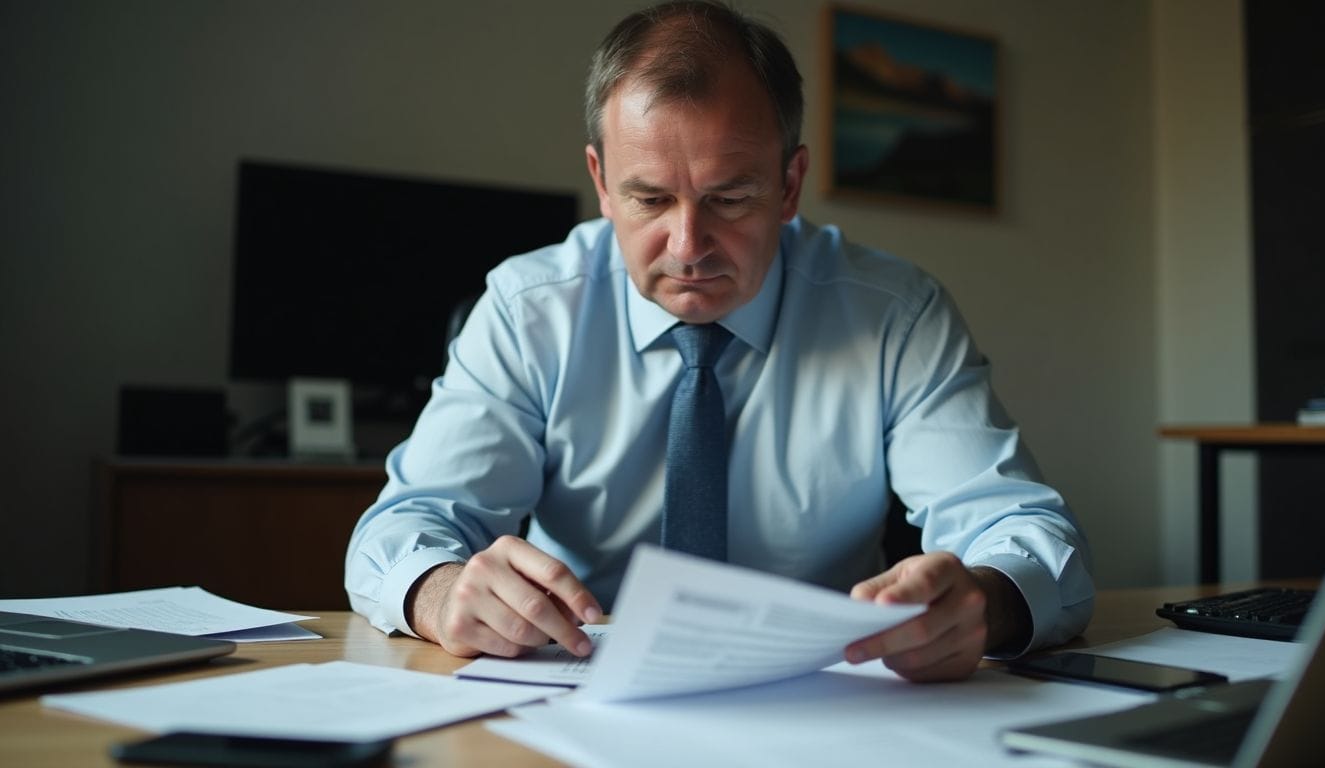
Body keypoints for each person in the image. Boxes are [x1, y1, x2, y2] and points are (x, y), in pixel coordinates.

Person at [345, 0, 1092, 682]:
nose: (688, 245)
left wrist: (985, 603)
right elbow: (407, 526)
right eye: (648, 199)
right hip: (572, 688)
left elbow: (1023, 531)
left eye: (730, 198)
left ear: (790, 184)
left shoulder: (896, 314)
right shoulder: (530, 309)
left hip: (825, 700)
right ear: (601, 182)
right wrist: (440, 593)